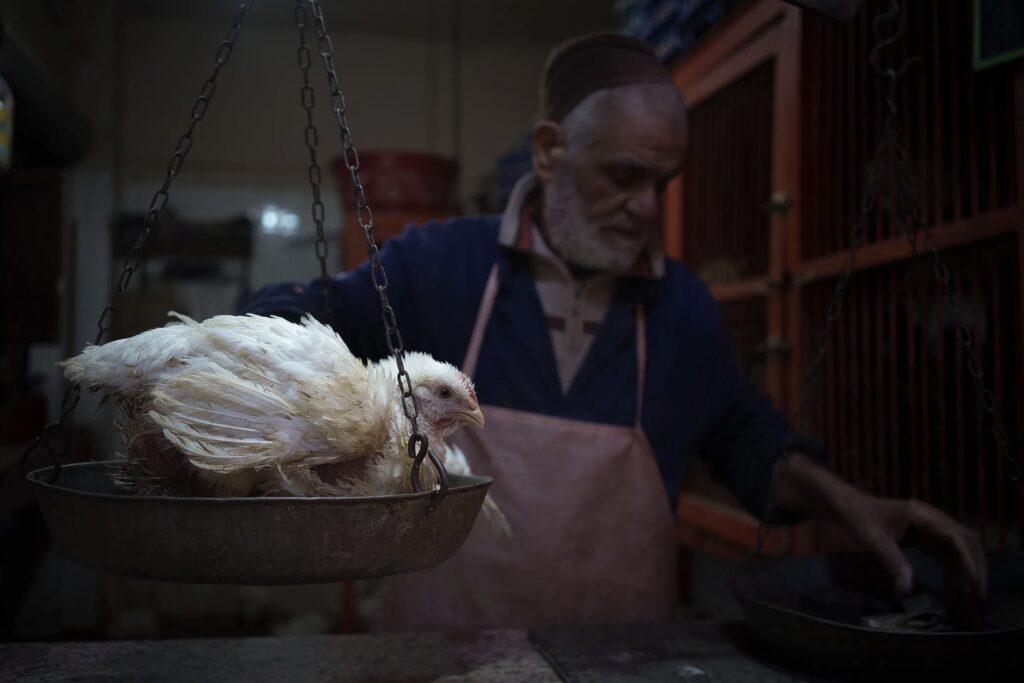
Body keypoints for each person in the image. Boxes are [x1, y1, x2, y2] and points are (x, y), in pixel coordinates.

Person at [242, 33, 986, 631]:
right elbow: (311, 321)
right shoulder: (440, 268)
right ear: (549, 150)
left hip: (626, 663)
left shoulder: (680, 309)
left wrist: (848, 502)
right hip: (445, 658)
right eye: (623, 177)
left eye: (659, 186)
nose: (644, 209)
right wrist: (225, 362)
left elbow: (744, 436)